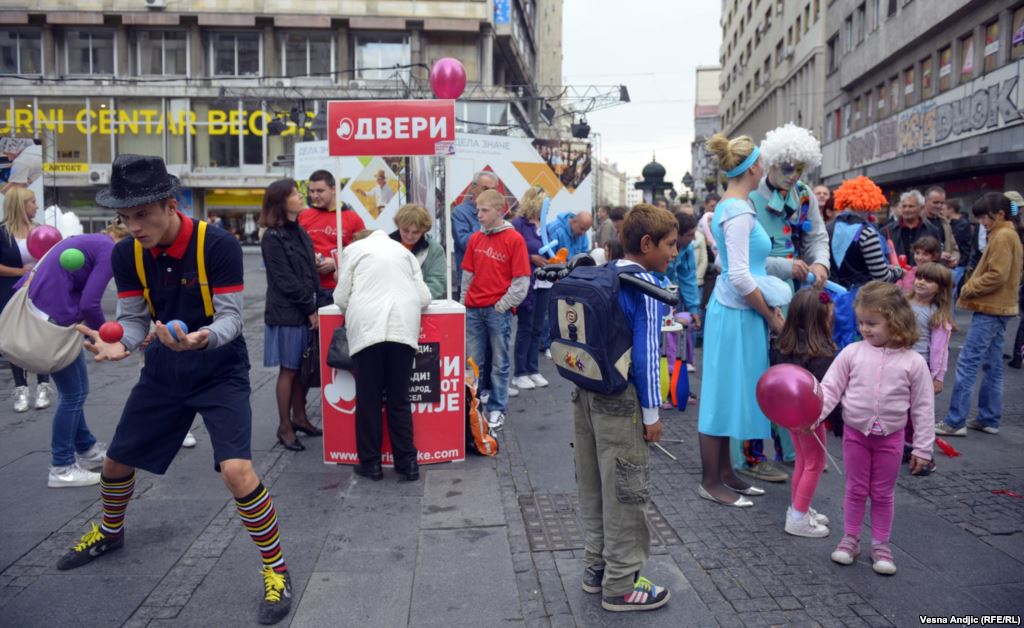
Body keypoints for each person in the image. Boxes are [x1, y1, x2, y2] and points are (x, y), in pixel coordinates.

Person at [62, 155, 295, 625]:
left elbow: (231, 316)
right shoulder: (126, 253)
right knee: (115, 460)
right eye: (124, 218)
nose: (133, 227)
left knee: (236, 470)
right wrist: (121, 347)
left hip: (219, 367)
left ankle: (276, 567)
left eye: (142, 215)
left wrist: (201, 338)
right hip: (164, 369)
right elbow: (131, 320)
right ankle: (111, 530)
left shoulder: (219, 244)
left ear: (170, 205)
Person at [574, 204, 675, 613]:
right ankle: (620, 584)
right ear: (646, 243)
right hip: (621, 401)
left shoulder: (606, 271)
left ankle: (595, 568)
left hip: (585, 393)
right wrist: (652, 416)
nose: (674, 254)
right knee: (627, 491)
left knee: (595, 484)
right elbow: (649, 355)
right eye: (669, 245)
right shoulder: (646, 285)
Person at [818, 281, 934, 576]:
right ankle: (851, 539)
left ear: (895, 320)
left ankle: (881, 544)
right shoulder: (851, 353)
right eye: (861, 323)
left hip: (891, 439)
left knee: (883, 493)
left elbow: (923, 407)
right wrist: (815, 416)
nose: (864, 329)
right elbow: (829, 389)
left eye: (872, 323)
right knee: (855, 489)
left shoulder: (914, 362)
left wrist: (923, 448)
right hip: (855, 435)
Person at [698, 133, 788, 507]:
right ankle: (710, 480)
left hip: (741, 311)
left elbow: (737, 268)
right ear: (753, 167)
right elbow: (737, 274)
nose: (764, 166)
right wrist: (769, 314)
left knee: (733, 393)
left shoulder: (736, 205)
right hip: (738, 312)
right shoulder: (737, 210)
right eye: (762, 161)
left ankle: (725, 474)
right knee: (721, 395)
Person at [740, 123, 830, 483]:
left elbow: (817, 237)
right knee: (760, 369)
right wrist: (783, 265)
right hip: (758, 293)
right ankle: (753, 453)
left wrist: (820, 262)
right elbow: (742, 259)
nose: (795, 176)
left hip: (795, 295)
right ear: (772, 163)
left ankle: (793, 447)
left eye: (800, 168)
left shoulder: (804, 195)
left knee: (796, 364)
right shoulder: (749, 198)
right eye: (788, 167)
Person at [14, 221, 130, 487]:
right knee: (73, 394)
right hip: (53, 324)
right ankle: (61, 466)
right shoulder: (111, 250)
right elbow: (90, 302)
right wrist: (103, 334)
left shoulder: (92, 241)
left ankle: (86, 449)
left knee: (75, 391)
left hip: (50, 318)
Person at [334, 229, 432, 482]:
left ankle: (371, 464)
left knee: (369, 400)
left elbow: (340, 297)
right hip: (403, 328)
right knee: (399, 399)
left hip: (368, 329)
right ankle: (408, 463)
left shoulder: (354, 251)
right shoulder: (404, 252)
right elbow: (424, 297)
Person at [936, 192, 1023, 438]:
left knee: (968, 363)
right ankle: (988, 418)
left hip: (991, 308)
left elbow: (997, 274)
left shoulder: (1003, 235)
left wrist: (968, 287)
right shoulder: (1009, 233)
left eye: (984, 217)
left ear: (999, 214)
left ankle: (955, 421)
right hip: (1000, 307)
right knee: (992, 365)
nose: (981, 222)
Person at [259, 178, 327, 452]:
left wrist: (318, 305)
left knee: (301, 369)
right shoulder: (273, 237)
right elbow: (284, 280)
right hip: (287, 313)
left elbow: (311, 273)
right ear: (281, 201)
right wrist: (310, 309)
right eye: (296, 194)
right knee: (289, 370)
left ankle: (300, 418)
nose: (302, 197)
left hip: (303, 310)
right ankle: (285, 426)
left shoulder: (298, 231)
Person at [771, 288, 838, 538]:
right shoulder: (821, 353)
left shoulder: (784, 346)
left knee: (802, 459)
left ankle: (799, 507)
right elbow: (824, 393)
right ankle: (798, 516)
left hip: (790, 415)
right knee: (815, 463)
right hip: (811, 417)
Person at [461, 189, 531, 431]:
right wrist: (464, 304)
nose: (479, 214)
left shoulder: (514, 239)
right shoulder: (475, 239)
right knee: (473, 362)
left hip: (495, 310)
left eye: (484, 210)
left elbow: (521, 281)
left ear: (499, 210)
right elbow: (467, 275)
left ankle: (497, 409)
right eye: (477, 210)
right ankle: (474, 408)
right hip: (474, 309)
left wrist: (501, 306)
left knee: (500, 363)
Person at [827, 176, 905, 348]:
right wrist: (898, 272)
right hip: (861, 300)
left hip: (830, 298)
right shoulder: (866, 233)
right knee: (857, 348)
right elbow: (882, 276)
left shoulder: (828, 228)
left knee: (832, 344)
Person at [0, 187, 53, 412]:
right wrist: (20, 272)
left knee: (40, 337)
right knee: (16, 340)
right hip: (11, 294)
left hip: (40, 293)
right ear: (20, 205)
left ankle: (43, 384)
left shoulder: (42, 231)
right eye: (32, 202)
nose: (36, 206)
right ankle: (21, 388)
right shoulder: (2, 233)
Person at [905, 262, 953, 476]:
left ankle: (925, 456)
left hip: (922, 369)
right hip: (899, 365)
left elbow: (941, 350)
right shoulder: (903, 303)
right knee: (901, 411)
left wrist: (938, 377)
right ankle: (907, 448)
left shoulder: (937, 314)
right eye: (920, 277)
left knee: (920, 413)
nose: (921, 282)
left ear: (940, 288)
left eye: (929, 280)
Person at [510, 186, 551, 391]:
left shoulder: (544, 226)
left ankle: (533, 369)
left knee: (537, 328)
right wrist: (531, 258)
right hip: (526, 281)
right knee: (525, 328)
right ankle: (520, 372)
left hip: (544, 282)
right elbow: (510, 252)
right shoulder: (518, 224)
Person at [297, 169, 366, 291]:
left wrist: (336, 262)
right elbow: (294, 248)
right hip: (309, 286)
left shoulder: (352, 218)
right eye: (312, 191)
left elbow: (362, 251)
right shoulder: (303, 216)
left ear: (334, 189)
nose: (315, 196)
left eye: (320, 191)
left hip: (340, 287)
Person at [451, 171, 498, 294]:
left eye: (493, 190)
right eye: (485, 189)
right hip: (471, 281)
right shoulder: (460, 213)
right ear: (473, 188)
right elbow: (465, 243)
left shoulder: (497, 213)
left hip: (495, 280)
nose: (489, 194)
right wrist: (485, 219)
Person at [390, 203, 446, 300]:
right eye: (405, 231)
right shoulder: (385, 244)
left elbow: (437, 284)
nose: (409, 236)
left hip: (422, 307)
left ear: (424, 230)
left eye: (415, 232)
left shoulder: (435, 250)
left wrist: (412, 301)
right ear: (398, 226)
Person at [882, 190, 942, 265]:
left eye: (911, 206)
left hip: (923, 274)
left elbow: (937, 256)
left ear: (920, 208)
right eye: (904, 206)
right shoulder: (887, 231)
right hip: (896, 275)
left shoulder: (931, 230)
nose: (907, 210)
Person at [924, 186, 960, 268]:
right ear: (925, 202)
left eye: (942, 203)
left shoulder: (945, 222)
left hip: (942, 272)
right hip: (923, 273)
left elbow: (954, 247)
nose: (939, 206)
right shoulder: (917, 222)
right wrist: (937, 255)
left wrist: (954, 259)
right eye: (935, 202)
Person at [942, 198, 972, 292]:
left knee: (950, 291)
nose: (941, 211)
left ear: (951, 209)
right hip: (951, 261)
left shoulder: (962, 224)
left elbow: (953, 241)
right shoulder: (949, 223)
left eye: (944, 208)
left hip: (958, 262)